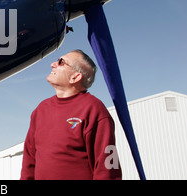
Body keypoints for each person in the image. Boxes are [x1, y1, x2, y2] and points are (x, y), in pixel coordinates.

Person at [20, 49, 121, 180]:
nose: (53, 64)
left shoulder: (94, 109)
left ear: (75, 77)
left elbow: (107, 168)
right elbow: (29, 159)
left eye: (61, 62)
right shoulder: (40, 110)